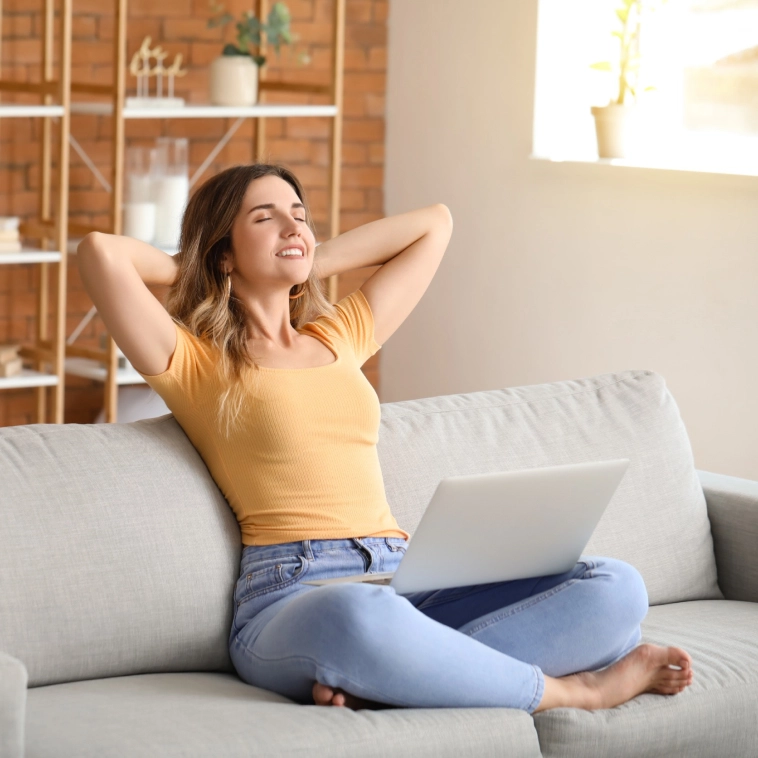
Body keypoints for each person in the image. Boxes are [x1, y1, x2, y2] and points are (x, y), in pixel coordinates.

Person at [77, 162, 694, 714]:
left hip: (404, 578)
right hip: (295, 596)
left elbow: (436, 226)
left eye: (300, 215)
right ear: (224, 253)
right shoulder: (199, 363)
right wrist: (200, 268)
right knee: (361, 617)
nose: (292, 226)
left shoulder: (337, 335)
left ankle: (400, 676)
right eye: (264, 218)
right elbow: (101, 253)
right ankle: (568, 691)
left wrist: (311, 258)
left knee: (615, 588)